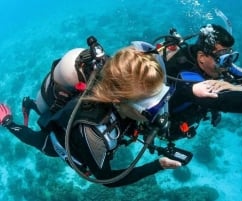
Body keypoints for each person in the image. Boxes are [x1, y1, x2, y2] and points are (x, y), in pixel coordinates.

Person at [0, 43, 183, 187]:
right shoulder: (90, 131)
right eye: (151, 109)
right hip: (60, 141)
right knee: (39, 141)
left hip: (94, 111)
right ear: (120, 101)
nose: (160, 112)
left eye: (164, 97)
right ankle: (8, 121)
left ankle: (32, 104)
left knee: (48, 111)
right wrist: (158, 165)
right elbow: (109, 180)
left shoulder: (125, 89)